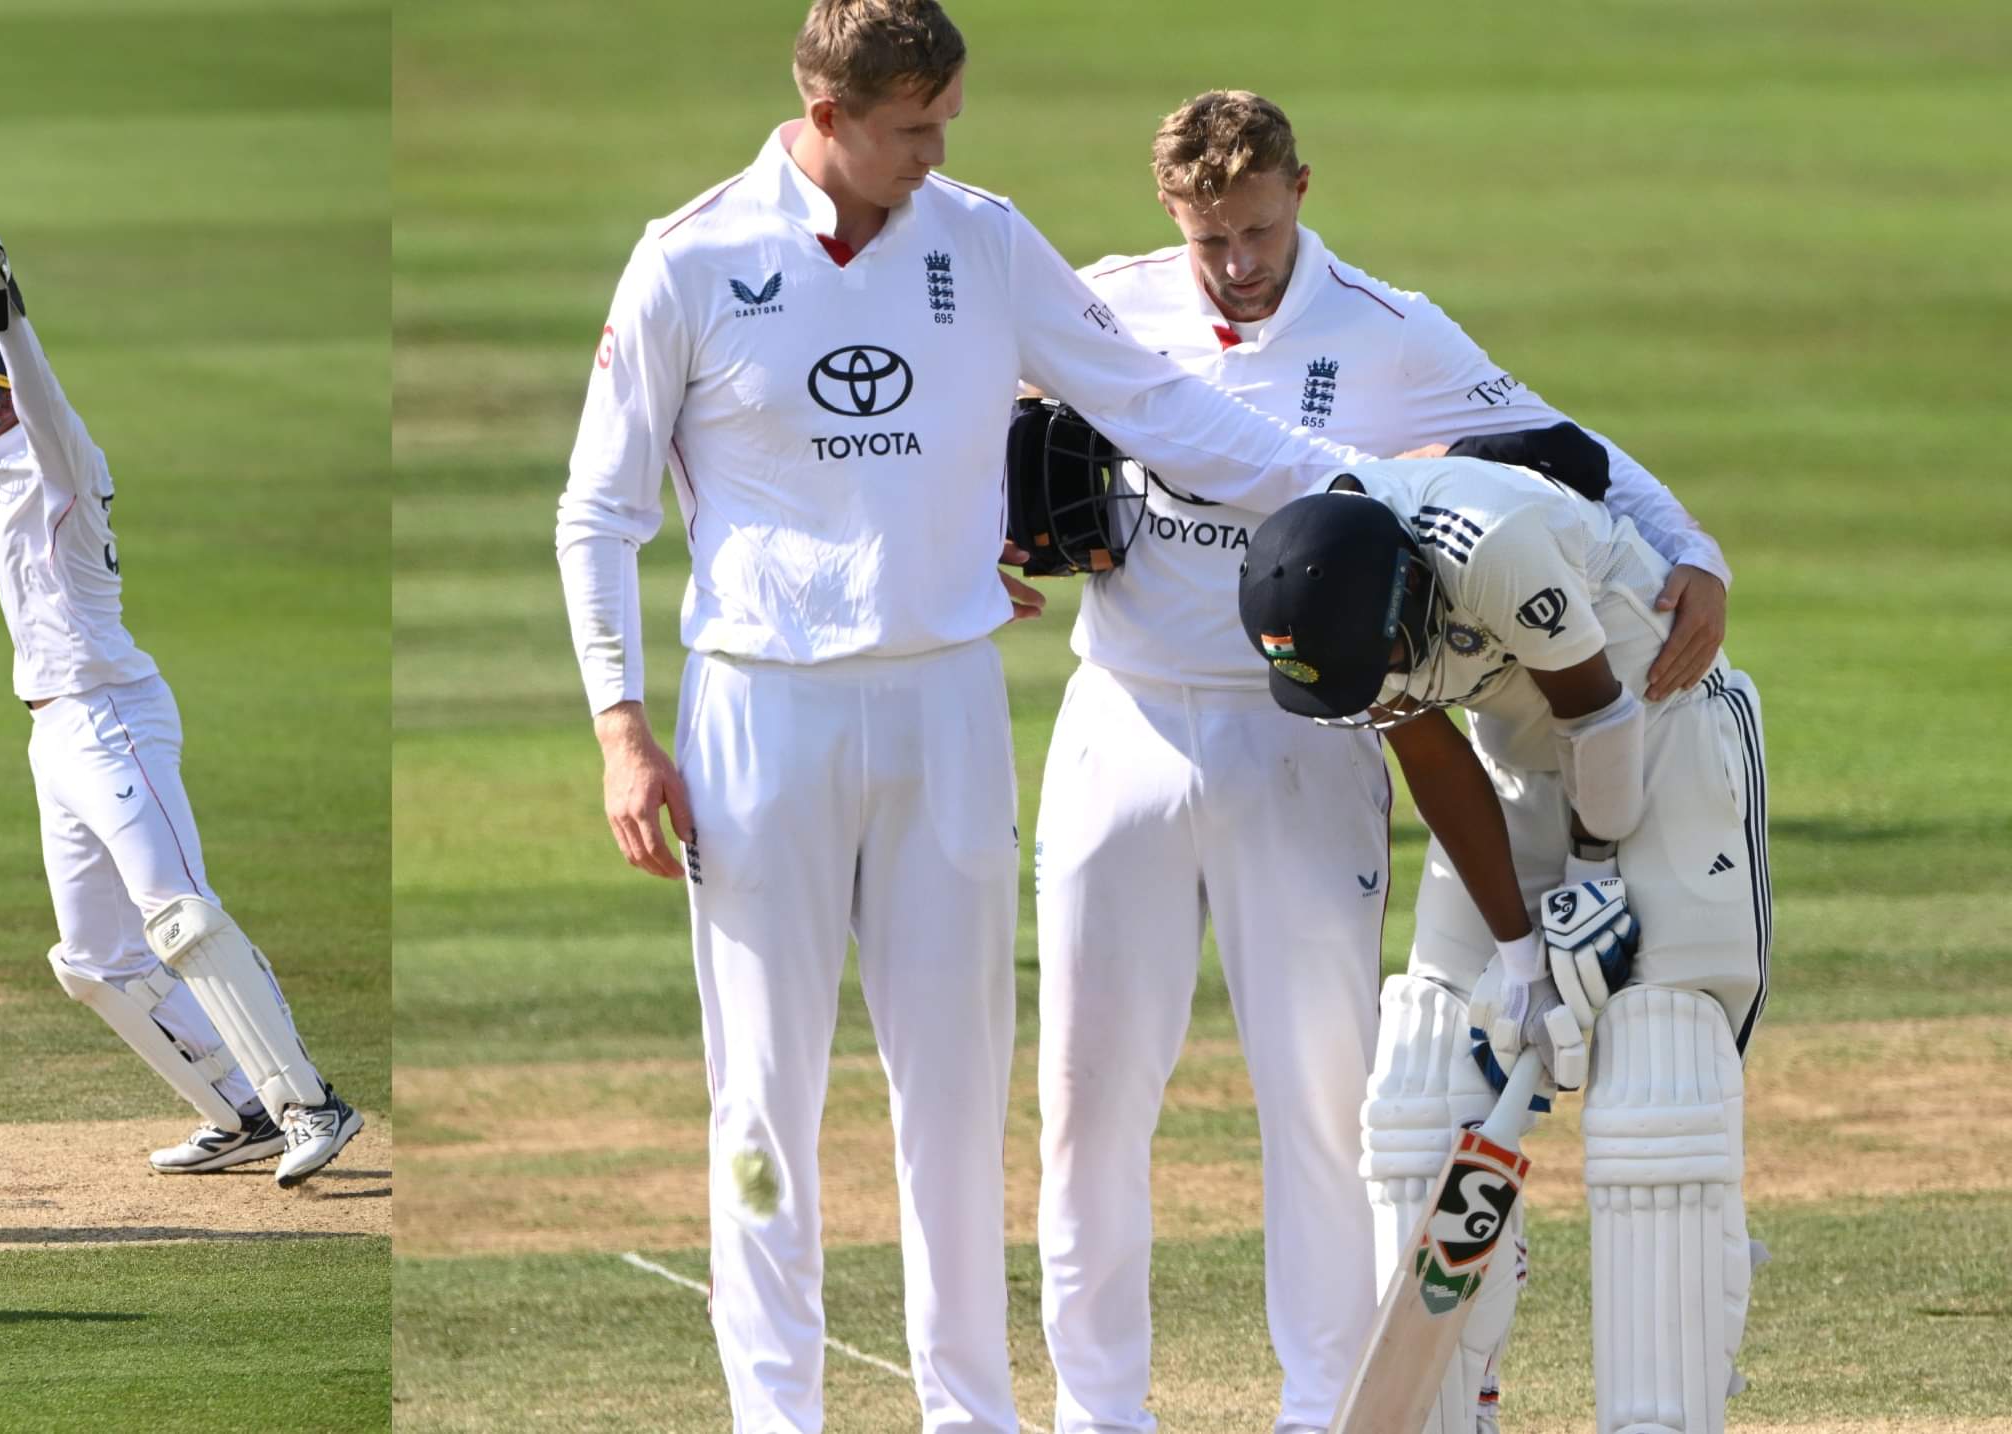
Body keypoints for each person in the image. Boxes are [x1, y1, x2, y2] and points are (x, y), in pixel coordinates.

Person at [551, 4, 1388, 1427]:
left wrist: (1361, 495)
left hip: (945, 707)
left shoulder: (979, 237)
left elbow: (1160, 406)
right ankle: (777, 1411)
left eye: (947, 122)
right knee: (762, 1104)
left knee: (954, 1101)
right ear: (825, 114)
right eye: (910, 130)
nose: (936, 153)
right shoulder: (689, 254)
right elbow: (598, 511)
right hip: (762, 715)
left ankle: (972, 1414)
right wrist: (623, 725)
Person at [1031, 90, 1733, 1434]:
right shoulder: (1107, 298)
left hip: (1314, 729)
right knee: (1087, 1091)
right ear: (1169, 212)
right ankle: (1095, 1407)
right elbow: (989, 409)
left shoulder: (1387, 327)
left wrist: (1694, 547)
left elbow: (1565, 444)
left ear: (1301, 186)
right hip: (1119, 713)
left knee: (1321, 1095)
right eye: (1209, 236)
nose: (1236, 262)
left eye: (1256, 227)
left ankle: (1317, 1406)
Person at [0, 169, 362, 1188]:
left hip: (115, 718)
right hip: (53, 732)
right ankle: (240, 1109)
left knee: (181, 917)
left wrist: (0, 302)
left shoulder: (62, 461)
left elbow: (28, 377)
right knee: (94, 964)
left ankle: (312, 1105)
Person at [1239, 461, 1765, 1434]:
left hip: (1657, 732)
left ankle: (1664, 1414)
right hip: (1512, 768)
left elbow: (1597, 713)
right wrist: (1523, 956)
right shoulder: (1328, 601)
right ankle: (1452, 1414)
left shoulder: (1491, 543)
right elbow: (1435, 754)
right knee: (1423, 1086)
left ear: (1407, 590)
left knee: (1658, 1071)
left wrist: (1595, 881)